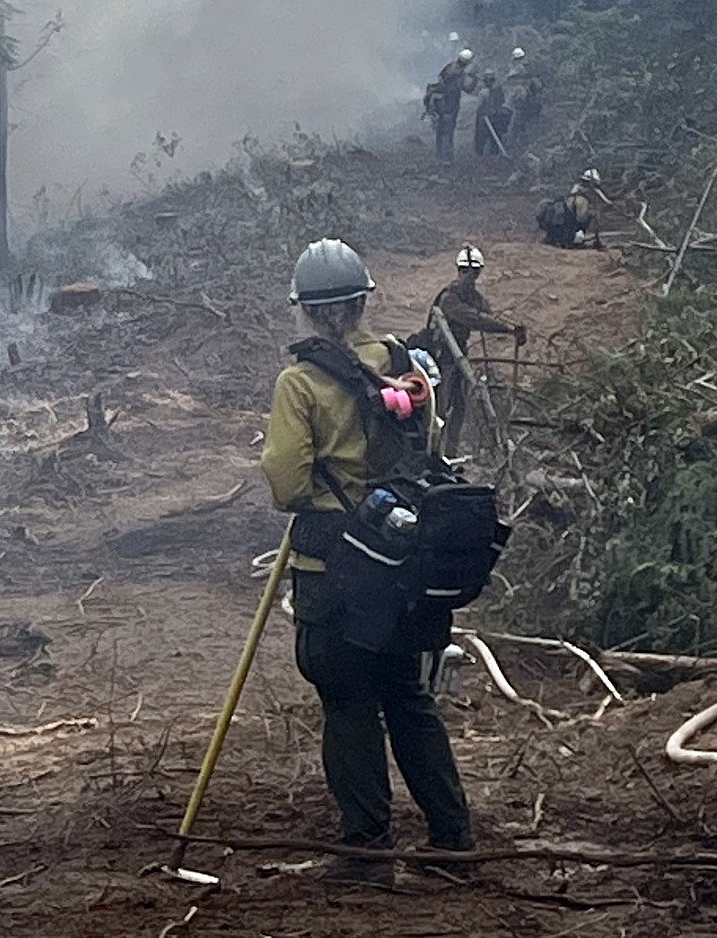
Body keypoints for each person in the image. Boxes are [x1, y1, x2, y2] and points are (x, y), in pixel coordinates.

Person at [261, 239, 474, 889]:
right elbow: (431, 446)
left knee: (348, 700)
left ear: (306, 310)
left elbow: (287, 487)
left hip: (334, 572)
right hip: (401, 564)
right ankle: (451, 840)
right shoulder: (405, 366)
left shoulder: (299, 383)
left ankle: (367, 853)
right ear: (360, 303)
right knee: (408, 696)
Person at [410, 245, 525, 454]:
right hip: (442, 357)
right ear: (458, 271)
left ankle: (451, 452)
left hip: (459, 354)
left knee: (460, 406)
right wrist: (506, 328)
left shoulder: (473, 297)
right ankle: (434, 452)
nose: (469, 276)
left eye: (473, 272)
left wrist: (514, 327)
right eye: (465, 271)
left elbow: (490, 315)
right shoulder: (449, 298)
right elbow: (473, 319)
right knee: (441, 407)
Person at [422, 47, 476, 169]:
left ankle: (439, 156)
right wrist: (474, 79)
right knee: (448, 133)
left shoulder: (450, 66)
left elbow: (440, 79)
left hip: (440, 105)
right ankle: (446, 160)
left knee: (440, 132)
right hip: (450, 106)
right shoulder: (460, 75)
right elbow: (468, 89)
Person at [537, 169, 604, 249]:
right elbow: (581, 219)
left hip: (558, 231)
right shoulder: (581, 200)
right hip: (567, 234)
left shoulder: (572, 194)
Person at [473, 71, 508, 156]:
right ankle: (489, 154)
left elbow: (479, 106)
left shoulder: (484, 92)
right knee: (493, 137)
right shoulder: (498, 90)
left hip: (487, 118)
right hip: (493, 117)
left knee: (482, 137)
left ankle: (483, 154)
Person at [507, 76, 545, 154]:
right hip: (520, 115)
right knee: (514, 132)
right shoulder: (523, 92)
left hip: (529, 117)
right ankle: (509, 148)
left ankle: (522, 149)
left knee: (526, 134)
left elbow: (538, 108)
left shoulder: (537, 96)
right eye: (537, 90)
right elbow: (515, 104)